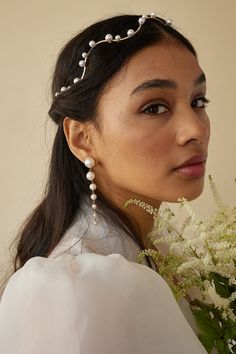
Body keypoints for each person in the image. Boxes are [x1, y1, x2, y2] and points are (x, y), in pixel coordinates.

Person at [0, 13, 210, 353]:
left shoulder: (159, 252)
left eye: (198, 101)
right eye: (155, 107)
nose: (196, 130)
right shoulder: (77, 292)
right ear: (82, 138)